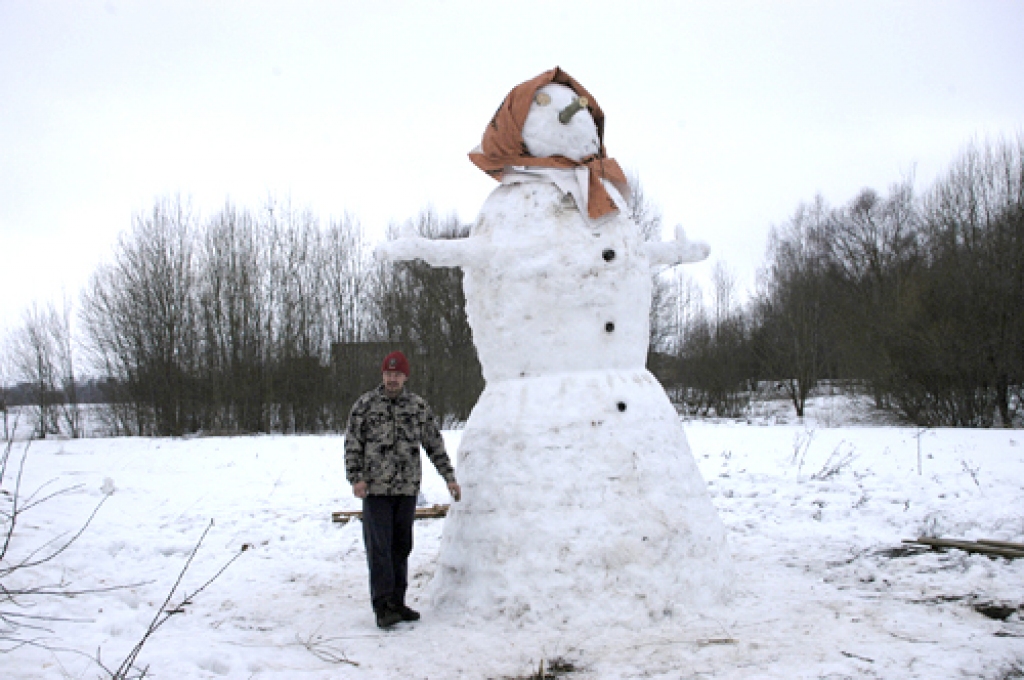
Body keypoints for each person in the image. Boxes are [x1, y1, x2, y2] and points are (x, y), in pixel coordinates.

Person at [344, 350, 461, 629]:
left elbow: (433, 444)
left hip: (407, 489)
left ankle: (398, 602)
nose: (392, 379)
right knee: (380, 550)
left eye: (397, 374)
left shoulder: (417, 407)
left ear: (405, 376)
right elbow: (353, 443)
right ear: (382, 375)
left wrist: (449, 477)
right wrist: (356, 478)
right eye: (388, 374)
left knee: (401, 547)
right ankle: (383, 606)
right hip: (376, 490)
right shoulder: (365, 405)